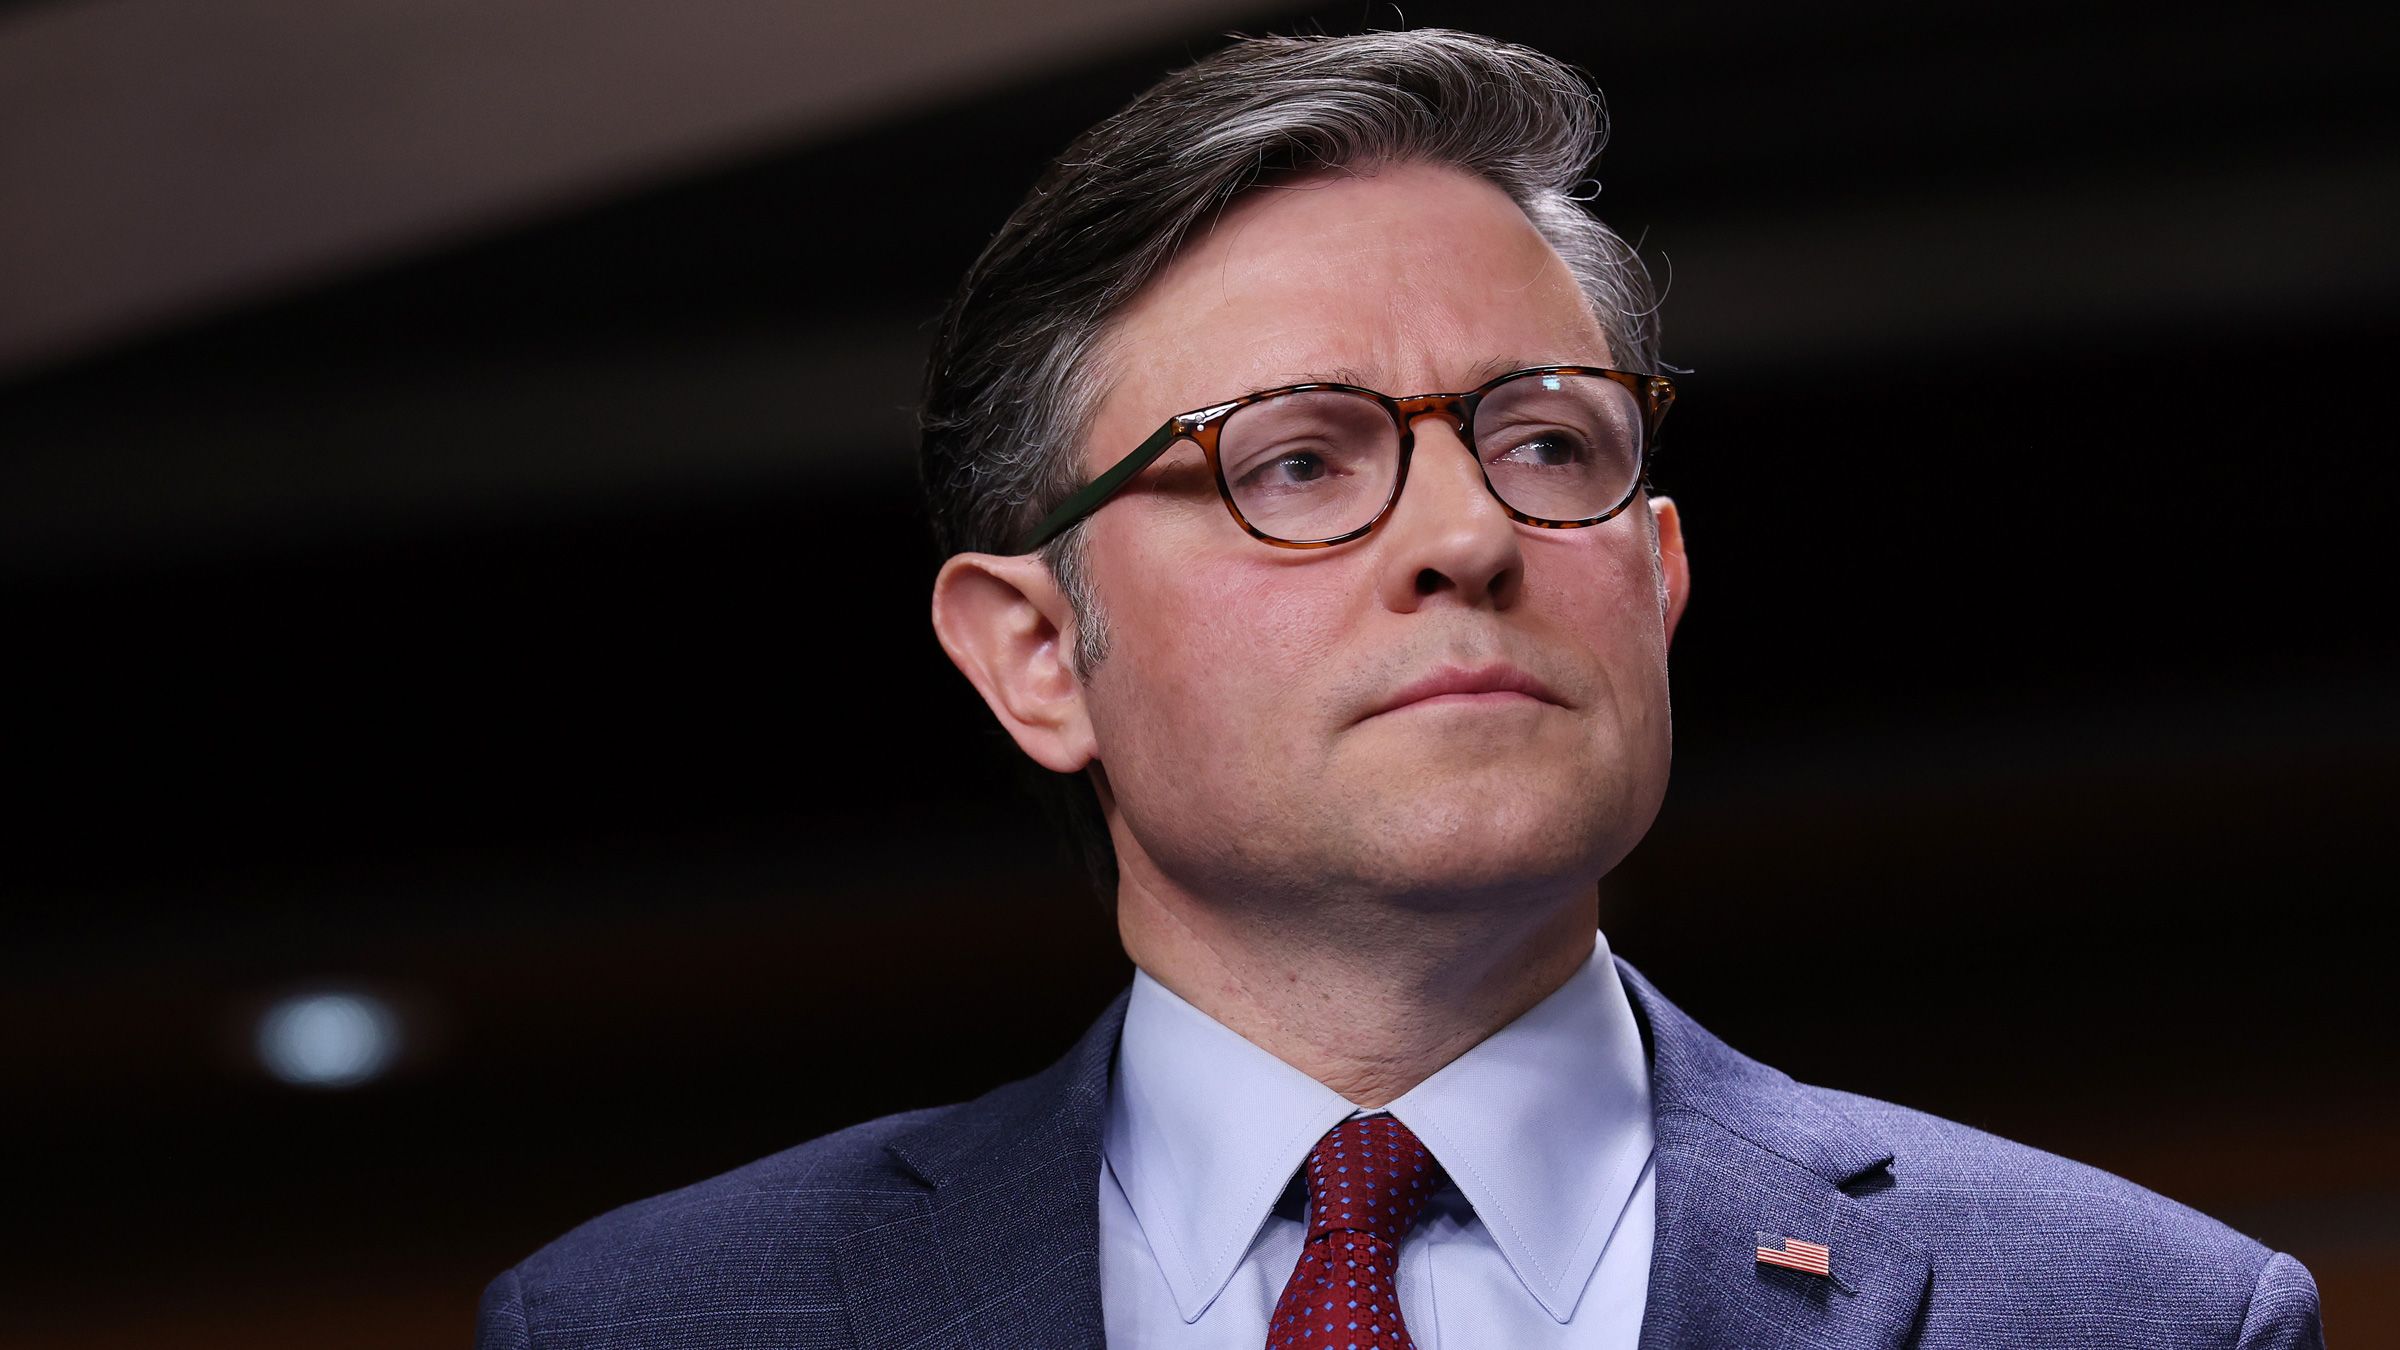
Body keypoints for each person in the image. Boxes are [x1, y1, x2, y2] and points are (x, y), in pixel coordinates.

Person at [476, 29, 2323, 1349]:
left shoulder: (2135, 1316)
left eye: (1544, 437)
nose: (1470, 534)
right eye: (1295, 461)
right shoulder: (646, 1320)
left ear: (1659, 581)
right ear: (1038, 654)